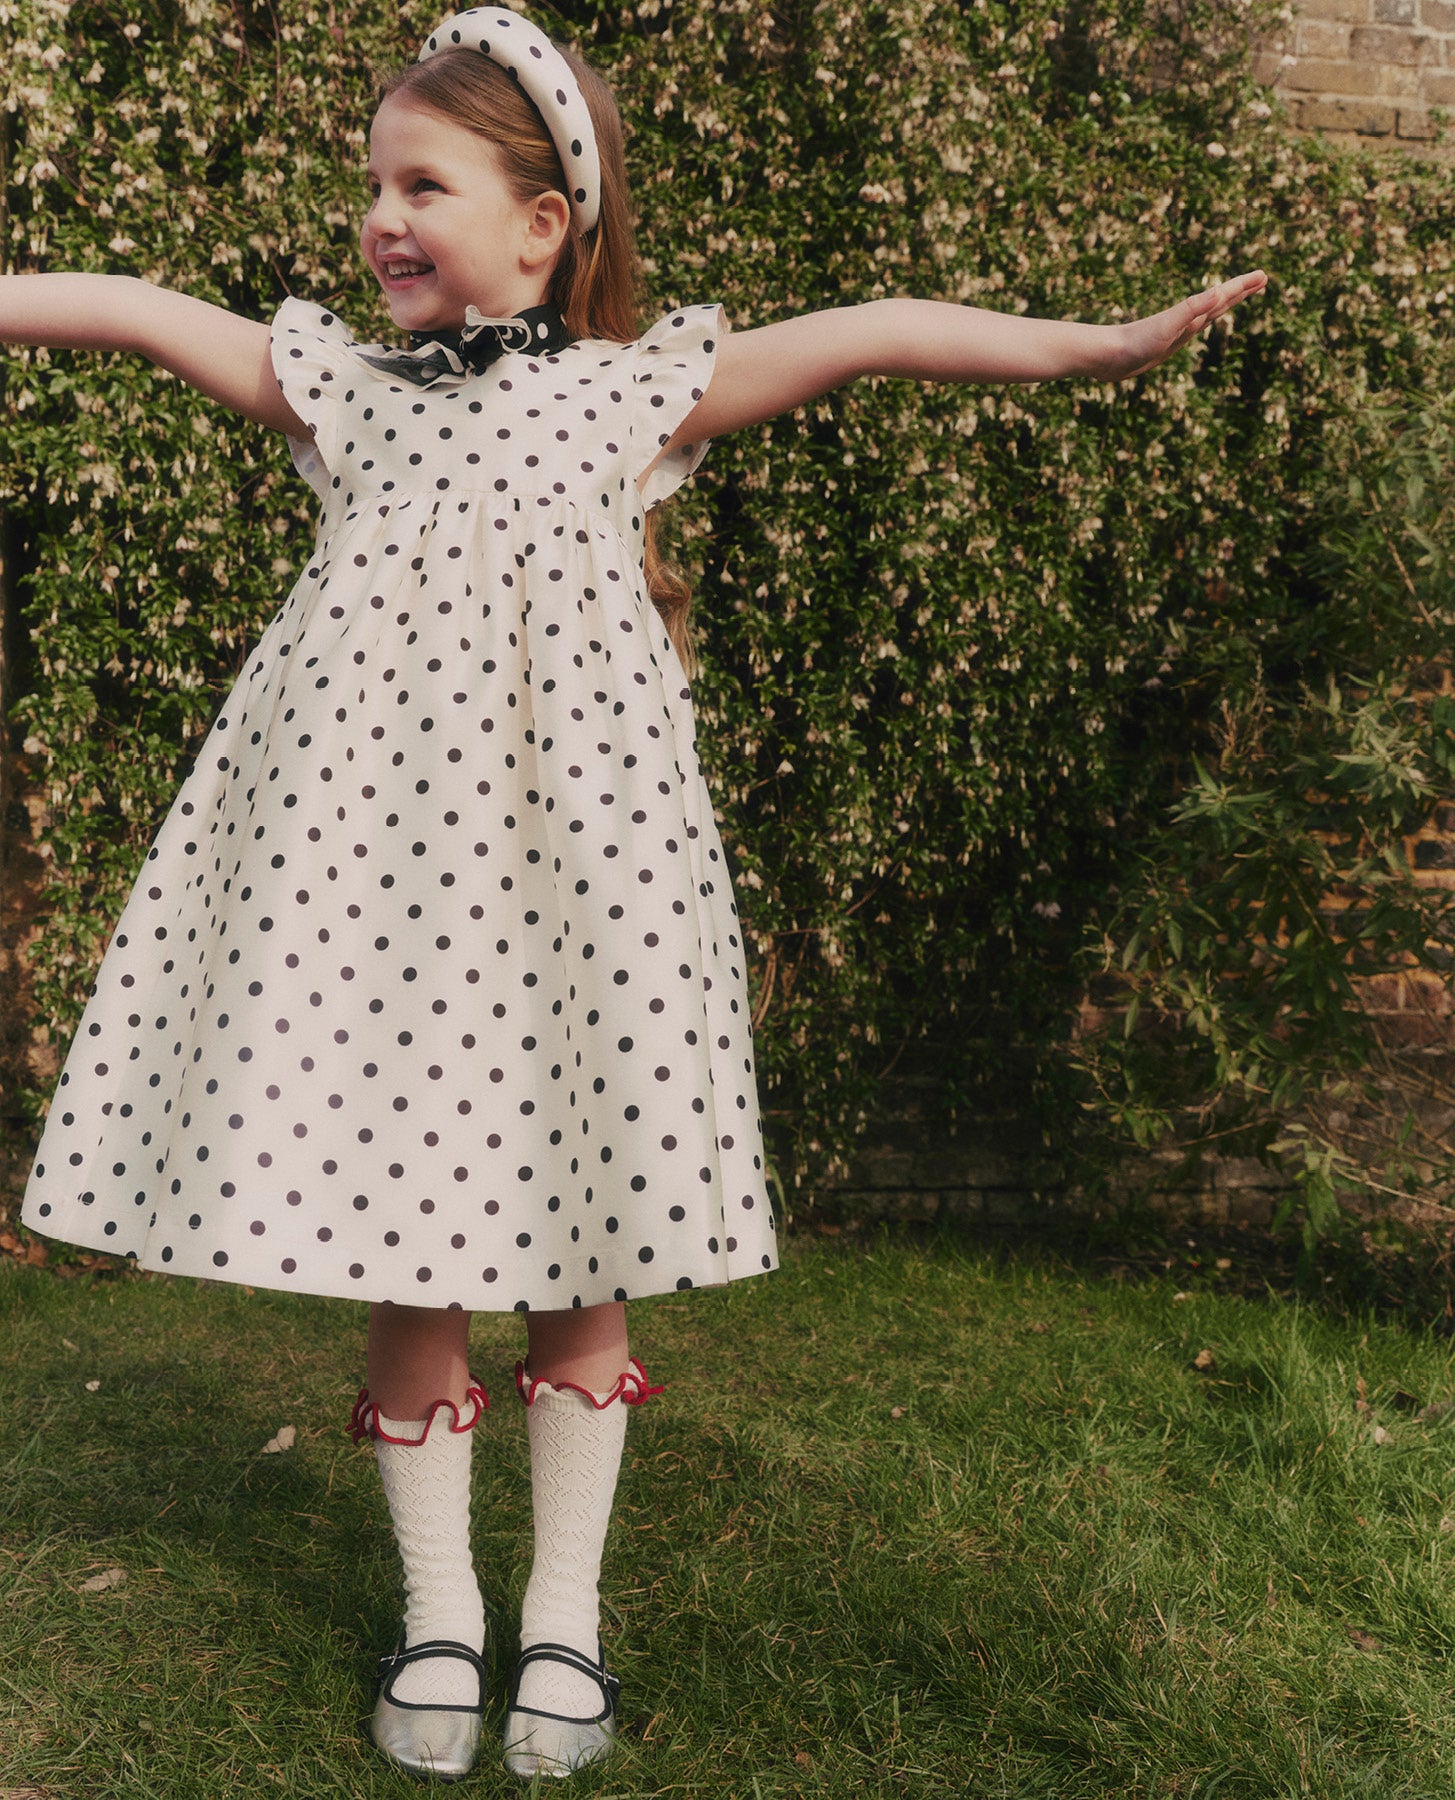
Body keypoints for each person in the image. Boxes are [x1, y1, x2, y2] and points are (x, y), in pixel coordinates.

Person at [7, 4, 1266, 1783]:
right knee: (407, 1236)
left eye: (420, 182)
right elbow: (124, 308)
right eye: (370, 181)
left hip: (579, 892)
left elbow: (885, 334)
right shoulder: (339, 387)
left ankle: (566, 1626)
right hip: (373, 894)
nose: (378, 214)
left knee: (583, 1235)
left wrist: (1095, 348)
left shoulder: (632, 390)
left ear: (545, 224)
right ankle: (444, 1611)